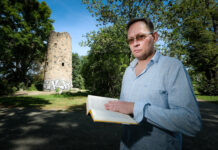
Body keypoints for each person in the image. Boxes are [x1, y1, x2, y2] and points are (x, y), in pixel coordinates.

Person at [105, 18, 202, 150]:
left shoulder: (173, 67)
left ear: (154, 37)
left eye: (141, 37)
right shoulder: (128, 71)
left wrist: (137, 109)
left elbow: (191, 122)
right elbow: (125, 110)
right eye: (130, 40)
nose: (135, 43)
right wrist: (109, 110)